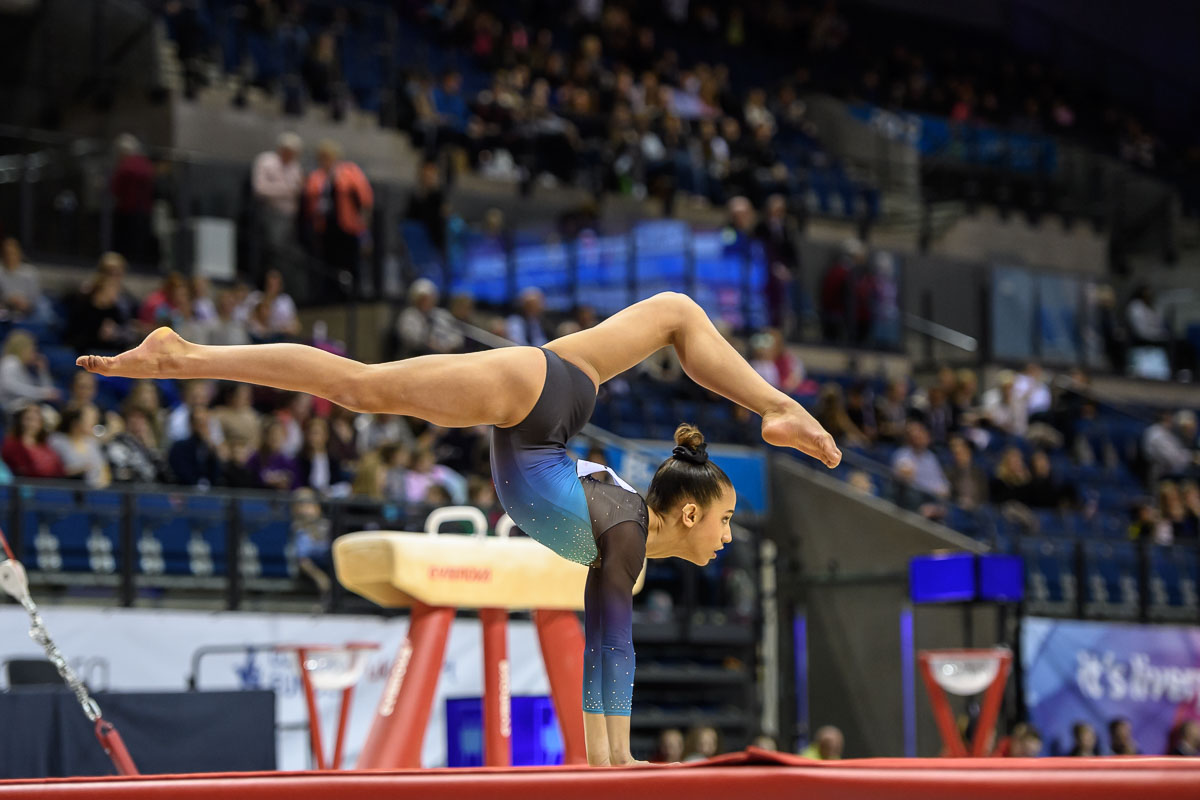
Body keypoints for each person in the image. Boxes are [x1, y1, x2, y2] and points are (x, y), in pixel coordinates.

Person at [75, 291, 841, 767]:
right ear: (686, 511)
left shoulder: (628, 522)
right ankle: (185, 353)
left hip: (552, 407)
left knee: (677, 311)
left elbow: (608, 628)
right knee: (361, 388)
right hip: (535, 407)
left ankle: (777, 404)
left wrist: (614, 760)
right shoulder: (630, 541)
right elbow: (611, 644)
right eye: (729, 521)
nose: (731, 536)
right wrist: (613, 763)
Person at [303, 140, 373, 297]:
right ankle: (331, 294)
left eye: (328, 157)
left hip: (348, 226)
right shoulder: (316, 176)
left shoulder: (350, 171)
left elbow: (365, 199)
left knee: (350, 261)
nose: (325, 160)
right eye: (322, 157)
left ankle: (354, 293)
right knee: (329, 262)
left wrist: (365, 230)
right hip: (325, 227)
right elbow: (309, 199)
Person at [251, 132, 305, 283]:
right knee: (272, 253)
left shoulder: (295, 167)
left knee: (287, 256)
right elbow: (260, 188)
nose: (292, 156)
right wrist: (287, 190)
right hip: (269, 214)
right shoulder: (266, 161)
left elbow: (299, 190)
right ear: (282, 149)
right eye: (290, 153)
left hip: (290, 219)